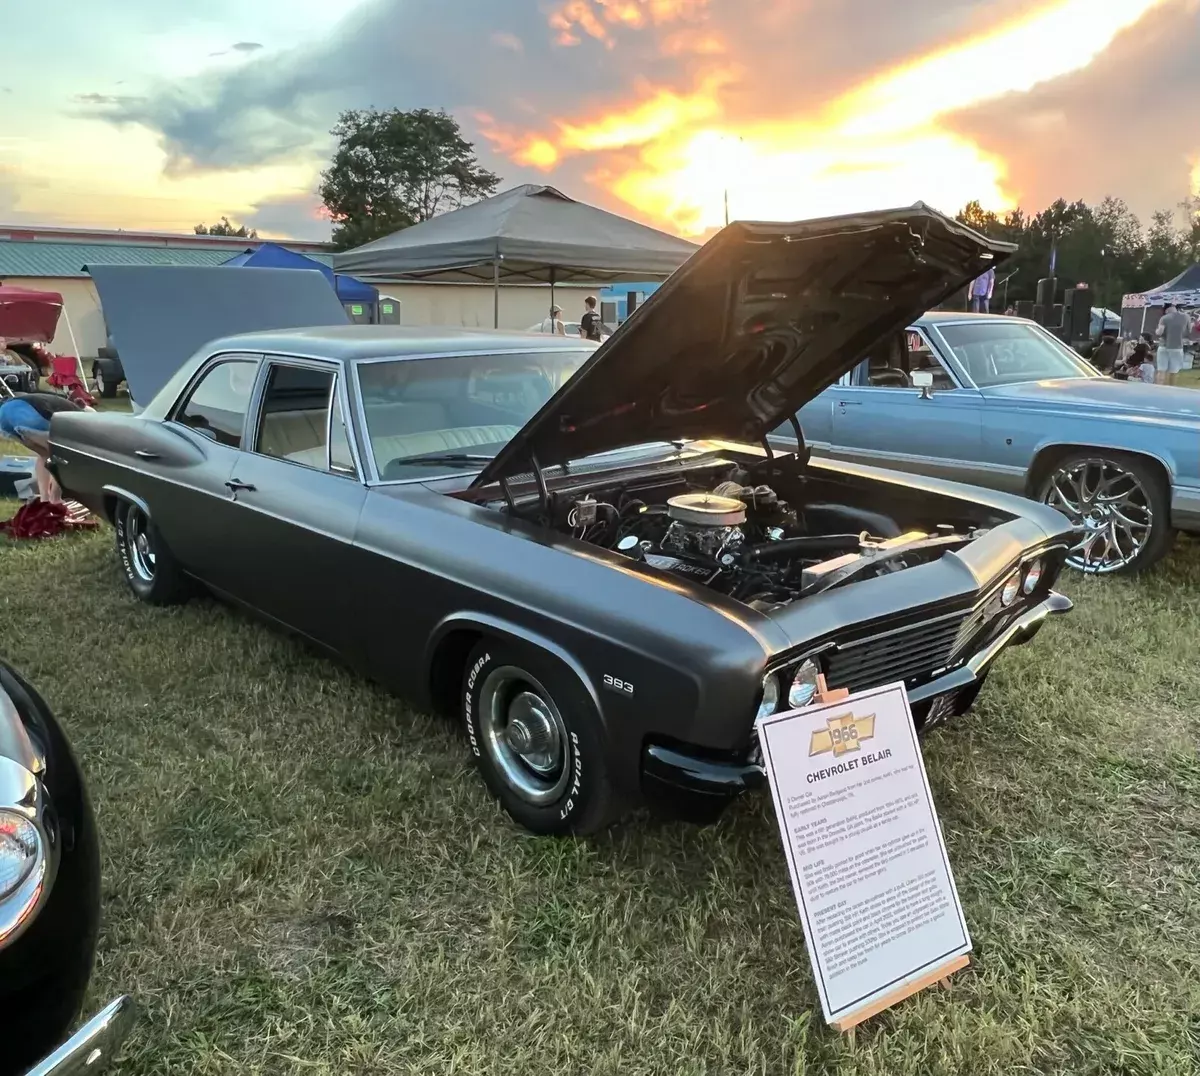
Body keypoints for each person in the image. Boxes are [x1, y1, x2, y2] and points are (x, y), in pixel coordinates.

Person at [0, 391, 92, 502]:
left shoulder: (63, 405)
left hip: (5, 414)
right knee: (62, 456)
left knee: (44, 455)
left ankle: (44, 499)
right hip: (28, 413)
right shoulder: (79, 417)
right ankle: (55, 499)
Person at [1154, 302, 1189, 386]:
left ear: (1167, 309)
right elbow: (1189, 330)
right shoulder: (1186, 317)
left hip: (1163, 346)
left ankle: (1158, 389)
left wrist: (1156, 330)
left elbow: (1159, 332)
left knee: (1161, 370)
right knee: (1174, 371)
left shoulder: (1164, 318)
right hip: (1177, 347)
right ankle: (1172, 390)